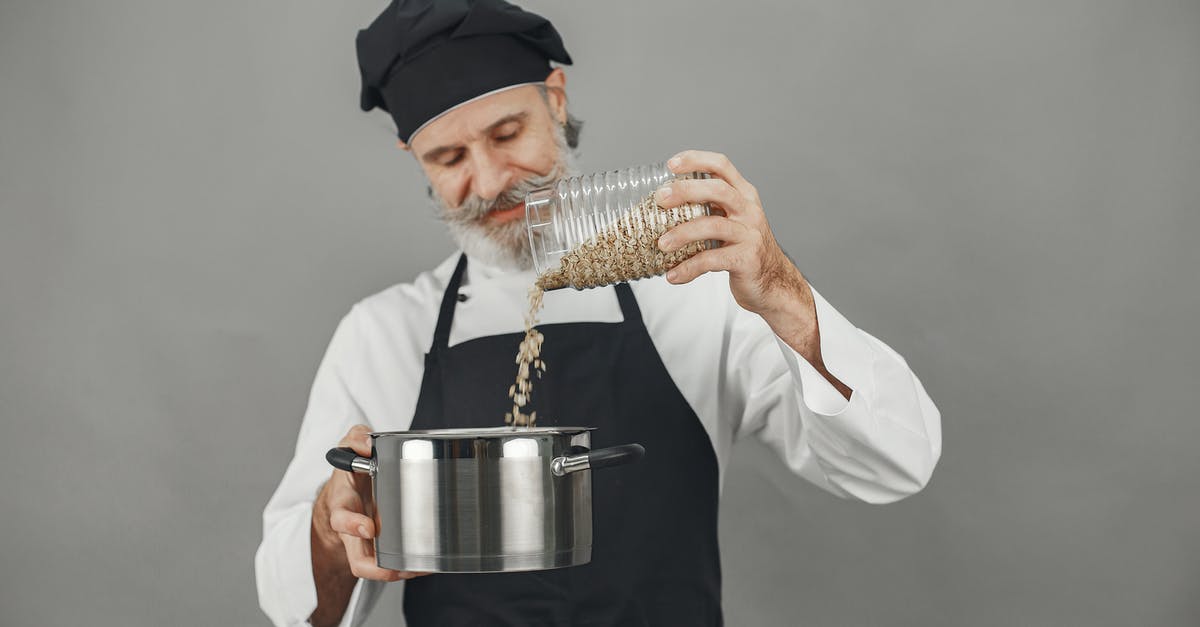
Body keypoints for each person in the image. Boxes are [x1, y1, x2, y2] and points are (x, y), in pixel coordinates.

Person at [255, 1, 942, 625]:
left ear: (555, 99)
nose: (490, 181)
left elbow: (896, 462)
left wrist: (782, 291)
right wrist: (327, 523)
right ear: (414, 157)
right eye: (450, 156)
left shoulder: (694, 286)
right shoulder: (383, 334)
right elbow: (296, 610)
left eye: (506, 132)